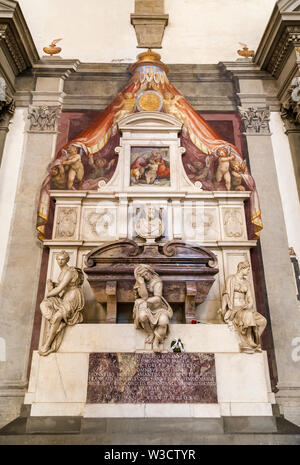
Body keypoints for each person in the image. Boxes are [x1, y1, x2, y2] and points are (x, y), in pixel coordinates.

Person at [39, 250, 84, 356]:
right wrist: (52, 285)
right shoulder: (62, 271)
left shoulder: (70, 271)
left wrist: (49, 294)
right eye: (58, 259)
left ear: (67, 259)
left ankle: (47, 345)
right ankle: (57, 322)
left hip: (73, 297)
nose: (60, 261)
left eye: (63, 259)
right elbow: (60, 287)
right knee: (44, 305)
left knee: (57, 316)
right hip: (65, 296)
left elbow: (60, 289)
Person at [218, 261, 267, 353]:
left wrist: (249, 304)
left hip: (245, 308)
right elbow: (226, 295)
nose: (248, 272)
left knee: (262, 321)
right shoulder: (231, 279)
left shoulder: (247, 283)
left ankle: (253, 340)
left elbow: (250, 298)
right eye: (247, 270)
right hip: (235, 309)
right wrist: (223, 308)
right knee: (248, 315)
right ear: (242, 269)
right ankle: (248, 341)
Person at [133, 264, 173, 353]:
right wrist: (141, 282)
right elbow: (144, 297)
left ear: (149, 271)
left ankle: (156, 342)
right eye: (143, 276)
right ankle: (150, 333)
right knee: (142, 316)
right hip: (146, 308)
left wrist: (145, 301)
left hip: (159, 309)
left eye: (146, 274)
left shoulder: (157, 282)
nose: (146, 277)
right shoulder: (140, 282)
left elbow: (158, 299)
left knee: (163, 321)